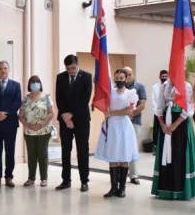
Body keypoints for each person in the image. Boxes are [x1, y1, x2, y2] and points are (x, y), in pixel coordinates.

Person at [151, 75, 195, 201]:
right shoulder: (164, 86)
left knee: (179, 154)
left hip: (181, 124)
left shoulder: (186, 86)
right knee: (166, 155)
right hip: (166, 123)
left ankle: (181, 190)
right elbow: (159, 106)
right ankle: (165, 189)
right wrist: (162, 124)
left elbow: (188, 107)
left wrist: (174, 125)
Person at [95, 69, 139, 197]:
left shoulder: (131, 93)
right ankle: (114, 187)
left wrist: (112, 113)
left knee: (124, 157)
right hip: (112, 126)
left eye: (121, 78)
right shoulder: (110, 92)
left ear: (126, 79)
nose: (119, 80)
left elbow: (129, 111)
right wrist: (108, 115)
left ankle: (122, 188)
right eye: (117, 78)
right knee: (113, 157)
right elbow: (105, 105)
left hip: (124, 126)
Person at [55, 55, 92, 192]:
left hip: (81, 119)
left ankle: (84, 181)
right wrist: (66, 118)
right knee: (65, 150)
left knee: (82, 151)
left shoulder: (87, 77)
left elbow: (85, 99)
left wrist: (71, 115)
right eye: (68, 68)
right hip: (64, 119)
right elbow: (59, 98)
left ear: (78, 64)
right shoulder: (61, 77)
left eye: (73, 68)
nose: (71, 71)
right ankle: (66, 180)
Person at [19, 75, 54, 187]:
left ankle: (44, 179)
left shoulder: (46, 97)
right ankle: (31, 178)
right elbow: (21, 115)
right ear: (29, 84)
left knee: (42, 154)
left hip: (43, 131)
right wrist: (27, 125)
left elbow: (51, 113)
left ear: (40, 83)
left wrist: (42, 123)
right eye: (32, 81)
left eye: (37, 81)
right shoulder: (25, 99)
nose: (34, 83)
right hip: (29, 132)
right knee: (31, 155)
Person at [122, 66, 147, 185]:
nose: (127, 77)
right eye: (125, 74)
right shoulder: (119, 87)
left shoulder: (139, 87)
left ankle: (133, 175)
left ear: (133, 75)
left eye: (129, 74)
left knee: (132, 148)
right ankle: (120, 174)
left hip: (134, 121)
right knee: (120, 148)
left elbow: (142, 104)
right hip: (120, 121)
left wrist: (130, 114)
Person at [151, 70, 169, 153]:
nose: (164, 78)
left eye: (166, 76)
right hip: (157, 112)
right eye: (163, 76)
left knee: (166, 128)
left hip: (167, 112)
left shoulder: (170, 86)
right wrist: (157, 112)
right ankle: (156, 147)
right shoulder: (155, 87)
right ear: (159, 77)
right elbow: (153, 100)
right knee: (157, 129)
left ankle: (165, 147)